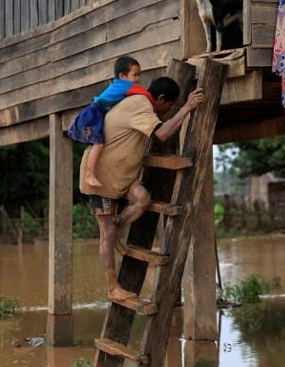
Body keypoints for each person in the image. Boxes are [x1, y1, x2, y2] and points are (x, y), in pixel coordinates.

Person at [79, 76, 205, 302]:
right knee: (106, 235)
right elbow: (163, 133)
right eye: (168, 106)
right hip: (102, 177)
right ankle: (112, 288)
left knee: (142, 199)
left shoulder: (140, 103)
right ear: (161, 99)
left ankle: (117, 226)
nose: (166, 112)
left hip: (123, 176)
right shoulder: (142, 105)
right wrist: (187, 107)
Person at [68, 56, 142, 188]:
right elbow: (144, 93)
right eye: (135, 75)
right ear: (122, 76)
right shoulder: (126, 86)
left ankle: (91, 173)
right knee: (99, 144)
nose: (137, 79)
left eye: (139, 75)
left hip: (97, 112)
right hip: (94, 113)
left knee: (100, 142)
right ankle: (89, 174)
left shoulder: (119, 85)